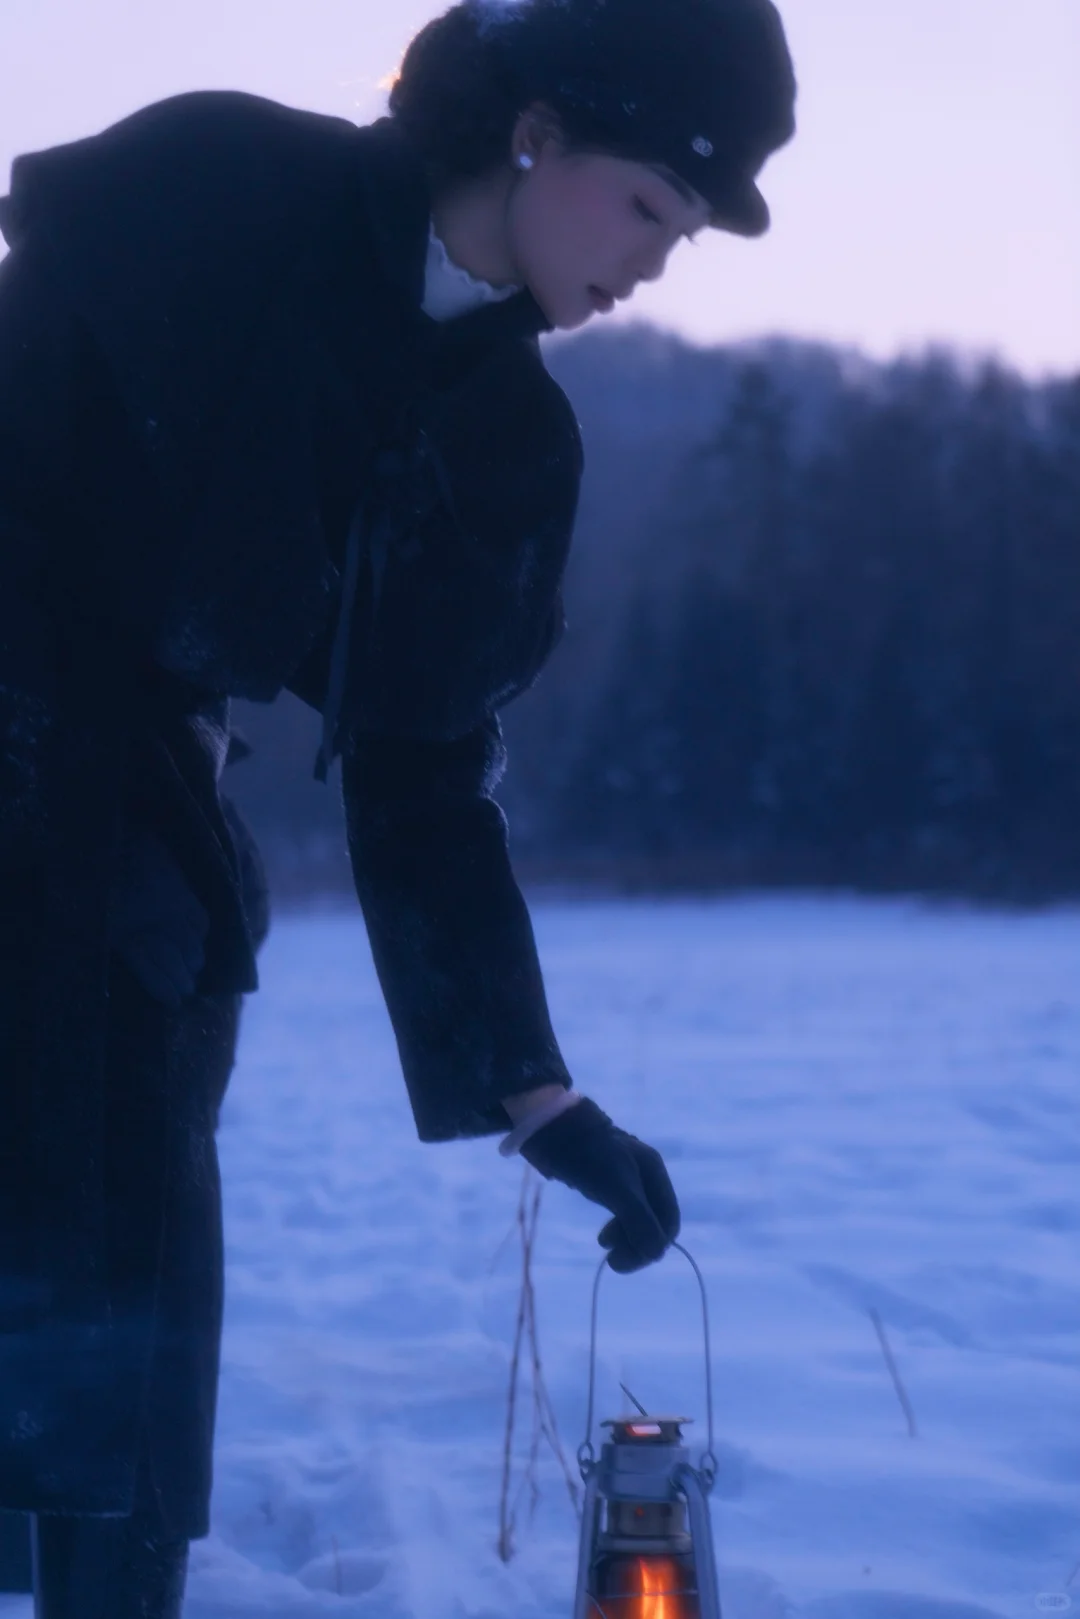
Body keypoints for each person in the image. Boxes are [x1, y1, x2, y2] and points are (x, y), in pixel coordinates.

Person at [0, 0, 796, 1612]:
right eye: (651, 204)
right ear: (538, 134)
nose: (657, 262)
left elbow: (425, 777)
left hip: (143, 873)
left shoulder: (507, 445)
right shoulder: (216, 190)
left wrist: (540, 1095)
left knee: (121, 1363)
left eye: (687, 235)